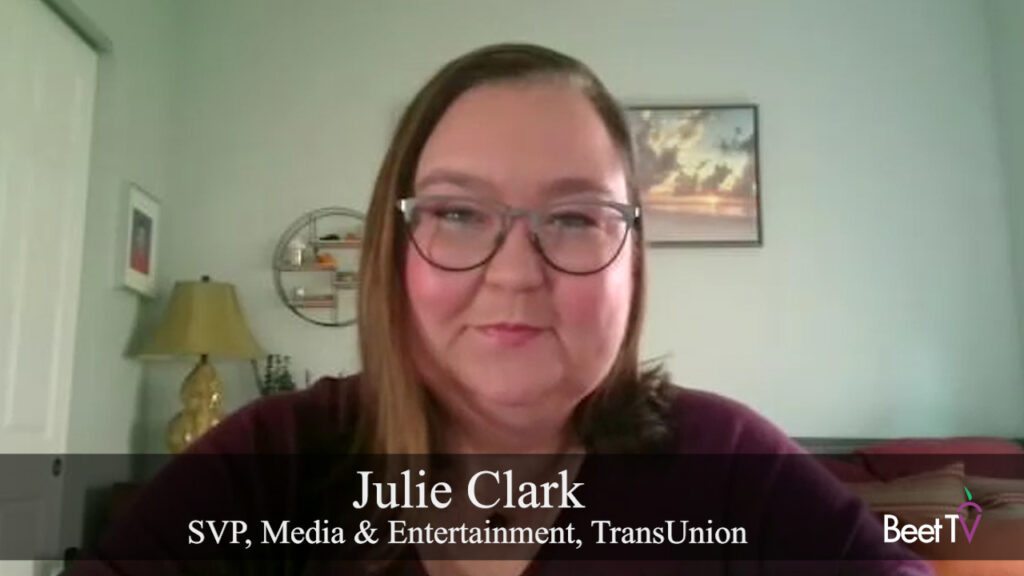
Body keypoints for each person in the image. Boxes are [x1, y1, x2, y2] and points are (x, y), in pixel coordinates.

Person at [67, 43, 934, 576]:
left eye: (575, 218)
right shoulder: (272, 465)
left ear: (633, 259)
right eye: (456, 213)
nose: (516, 273)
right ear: (395, 248)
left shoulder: (733, 468)